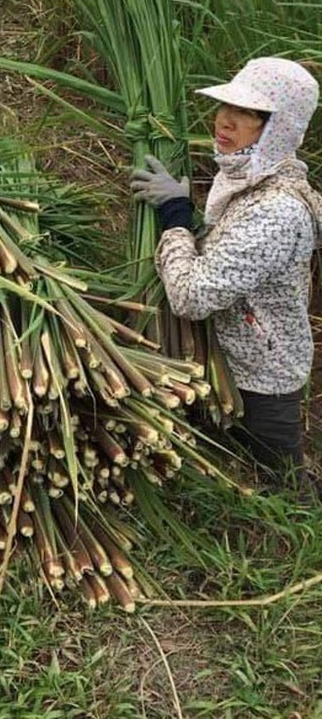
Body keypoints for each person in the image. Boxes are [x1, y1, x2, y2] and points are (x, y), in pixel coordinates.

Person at [130, 57, 321, 492]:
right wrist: (193, 215)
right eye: (227, 105)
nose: (226, 120)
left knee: (286, 496)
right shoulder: (252, 176)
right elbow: (233, 256)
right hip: (232, 358)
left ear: (279, 129)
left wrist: (176, 218)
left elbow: (191, 296)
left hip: (261, 381)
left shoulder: (277, 211)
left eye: (249, 114)